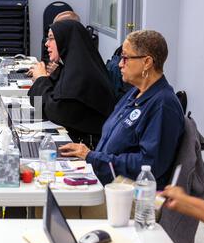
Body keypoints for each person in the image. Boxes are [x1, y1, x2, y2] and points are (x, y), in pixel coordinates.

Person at [60, 30, 185, 190]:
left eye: (125, 58)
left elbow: (149, 165)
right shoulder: (135, 93)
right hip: (104, 180)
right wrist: (89, 156)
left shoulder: (163, 105)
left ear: (147, 62)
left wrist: (93, 157)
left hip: (129, 196)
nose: (119, 64)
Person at [28, 20, 115, 148]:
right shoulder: (71, 68)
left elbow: (57, 112)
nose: (47, 44)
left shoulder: (81, 74)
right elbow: (42, 103)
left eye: (51, 39)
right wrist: (45, 79)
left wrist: (41, 79)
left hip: (90, 149)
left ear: (65, 40)